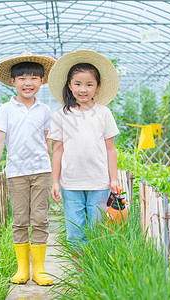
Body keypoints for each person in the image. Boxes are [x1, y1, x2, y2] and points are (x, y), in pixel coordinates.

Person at [0, 50, 56, 286]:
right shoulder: (5, 109)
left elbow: (49, 143)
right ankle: (22, 270)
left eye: (33, 78)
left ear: (41, 82)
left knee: (40, 219)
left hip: (41, 171)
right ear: (13, 82)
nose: (28, 83)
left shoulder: (45, 110)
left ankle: (38, 269)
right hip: (16, 172)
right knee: (19, 220)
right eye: (22, 79)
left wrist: (54, 173)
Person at [47, 50, 120, 246]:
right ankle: (79, 269)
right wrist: (55, 181)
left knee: (97, 227)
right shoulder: (61, 115)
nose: (83, 89)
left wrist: (113, 178)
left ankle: (94, 268)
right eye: (77, 84)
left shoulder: (103, 113)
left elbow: (110, 149)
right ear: (69, 86)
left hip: (99, 180)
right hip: (71, 182)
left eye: (89, 84)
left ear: (97, 87)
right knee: (74, 228)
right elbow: (58, 150)